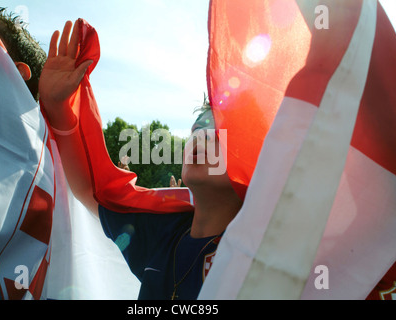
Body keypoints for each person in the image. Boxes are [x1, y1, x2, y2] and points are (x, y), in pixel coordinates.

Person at [39, 19, 243, 300]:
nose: (202, 137)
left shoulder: (267, 247)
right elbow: (93, 190)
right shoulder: (161, 230)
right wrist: (58, 105)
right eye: (197, 128)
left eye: (219, 131)